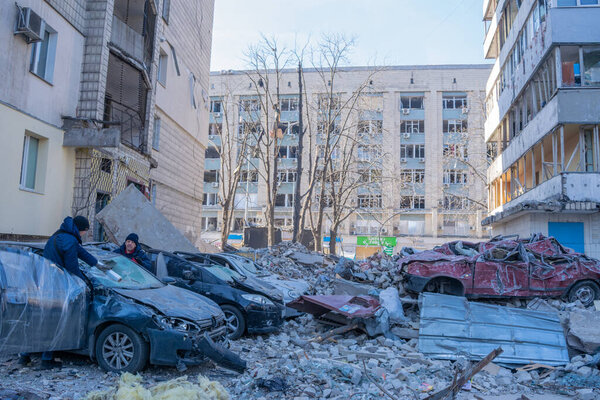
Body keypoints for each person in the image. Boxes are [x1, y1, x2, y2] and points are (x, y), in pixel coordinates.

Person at [19, 216, 99, 370]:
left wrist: (96, 263)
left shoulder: (59, 236)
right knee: (53, 323)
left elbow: (81, 252)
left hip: (44, 286)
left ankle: (24, 355)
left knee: (40, 321)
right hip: (57, 289)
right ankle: (46, 360)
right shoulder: (70, 240)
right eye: (85, 231)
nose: (84, 234)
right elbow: (72, 268)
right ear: (80, 229)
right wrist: (85, 283)